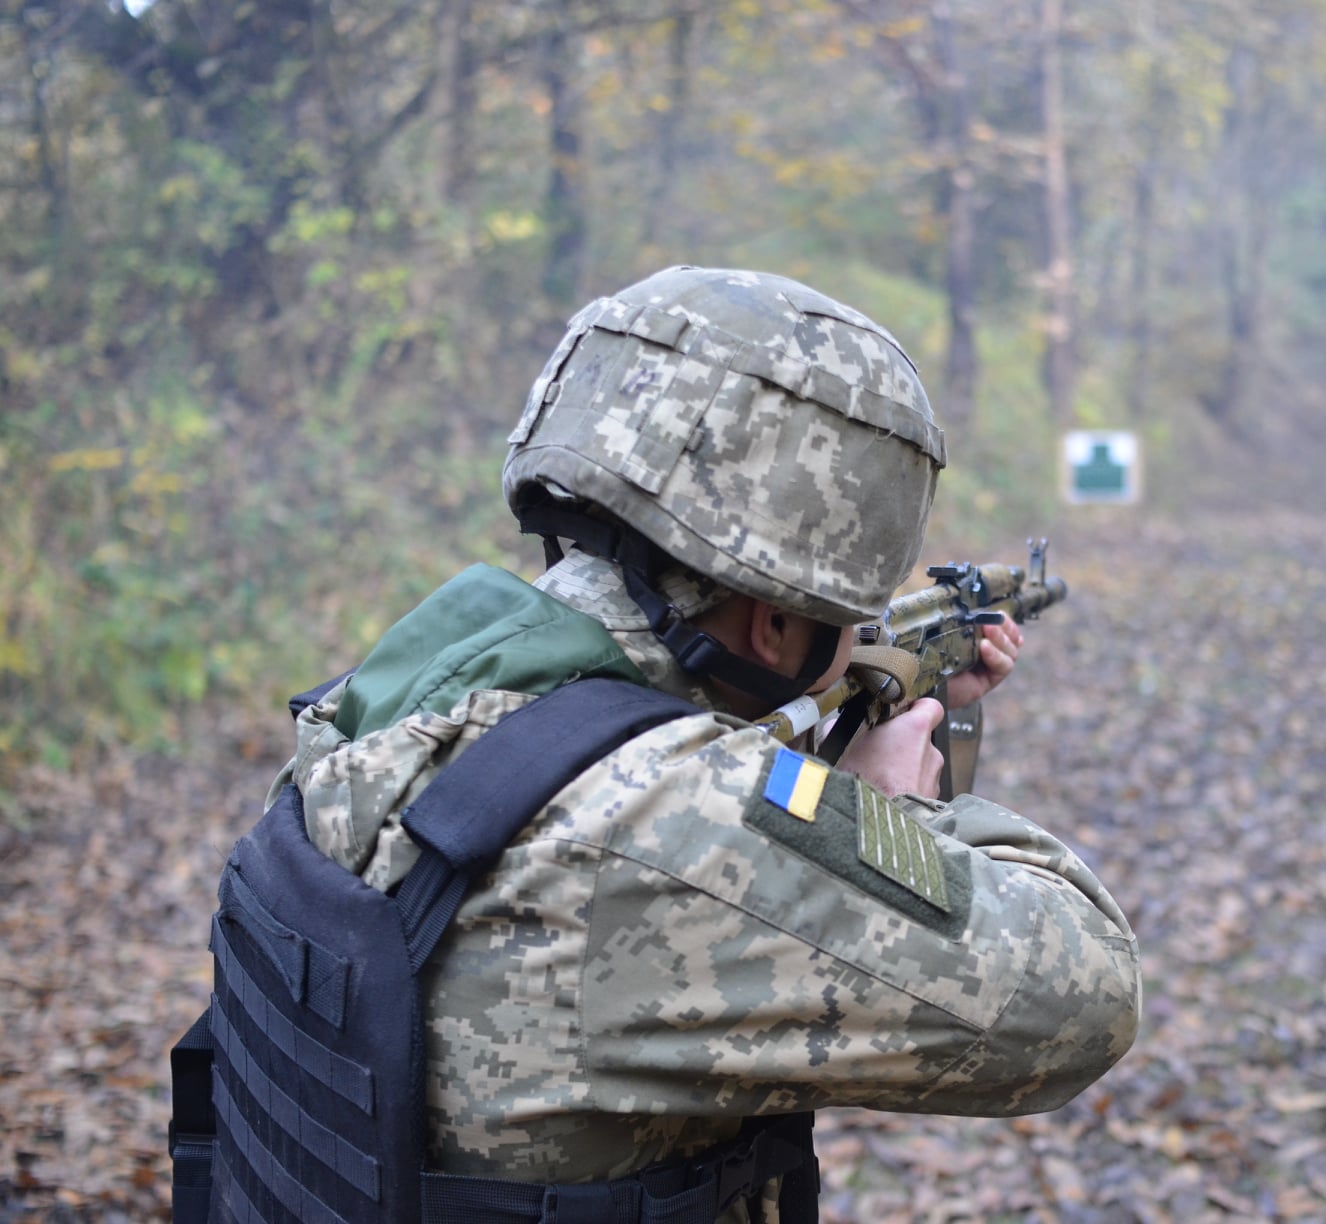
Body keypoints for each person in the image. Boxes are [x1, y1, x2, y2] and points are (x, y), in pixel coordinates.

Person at [276, 265, 1140, 1219]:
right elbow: (1086, 994)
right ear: (773, 626)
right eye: (848, 619)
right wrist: (888, 813)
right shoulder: (656, 825)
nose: (857, 639)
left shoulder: (387, 706)